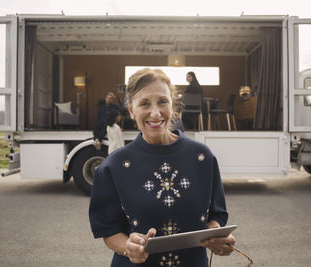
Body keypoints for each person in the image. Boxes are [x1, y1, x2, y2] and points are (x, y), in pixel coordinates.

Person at [89, 68, 235, 266]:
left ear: (173, 105)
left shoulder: (202, 157)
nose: (155, 113)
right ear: (131, 111)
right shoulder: (113, 167)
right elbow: (109, 229)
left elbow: (216, 215)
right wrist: (127, 247)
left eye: (163, 102)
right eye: (144, 104)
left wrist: (215, 238)